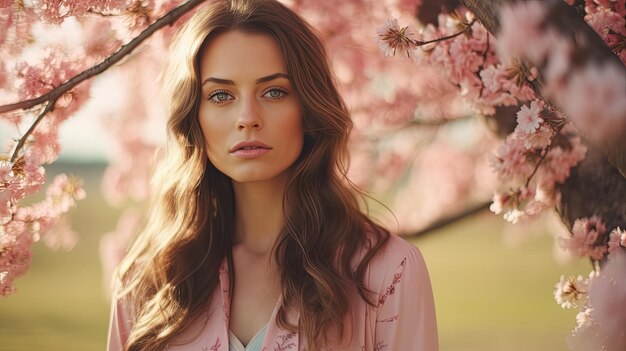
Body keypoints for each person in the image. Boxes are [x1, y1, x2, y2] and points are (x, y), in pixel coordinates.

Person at [107, 0, 438, 350]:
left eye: (274, 91)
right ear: (194, 116)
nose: (248, 117)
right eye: (221, 95)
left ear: (308, 107)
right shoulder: (147, 281)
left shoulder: (387, 272)